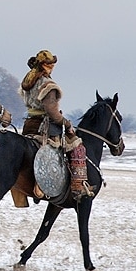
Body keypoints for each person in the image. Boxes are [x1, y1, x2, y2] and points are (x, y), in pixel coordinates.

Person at [19, 50, 89, 198]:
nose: (52, 67)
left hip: (29, 124)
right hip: (45, 128)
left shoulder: (29, 81)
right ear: (46, 65)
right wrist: (67, 123)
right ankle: (78, 187)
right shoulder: (48, 85)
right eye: (51, 64)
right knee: (77, 146)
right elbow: (51, 111)